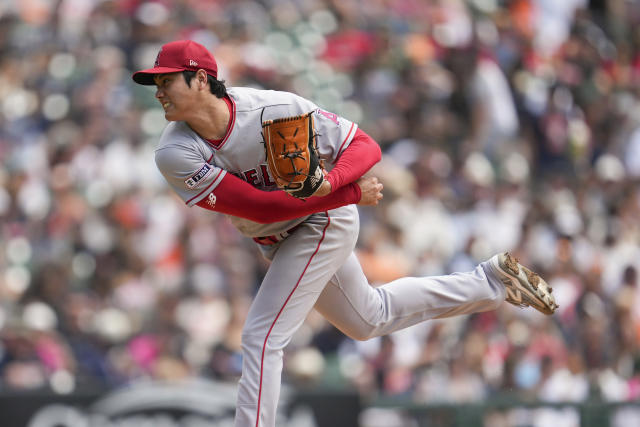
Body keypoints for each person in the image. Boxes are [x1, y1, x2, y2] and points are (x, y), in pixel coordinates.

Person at [132, 39, 558, 427]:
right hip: (288, 230)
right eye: (155, 83)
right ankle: (489, 282)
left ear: (201, 79)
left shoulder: (271, 109)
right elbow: (258, 206)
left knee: (261, 337)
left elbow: (364, 145)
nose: (158, 91)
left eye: (166, 81)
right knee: (368, 318)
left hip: (321, 223)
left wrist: (333, 187)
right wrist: (349, 191)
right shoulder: (174, 151)